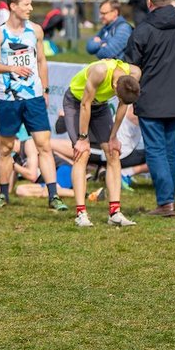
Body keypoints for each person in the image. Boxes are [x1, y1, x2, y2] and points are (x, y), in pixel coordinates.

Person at [124, 0, 175, 217]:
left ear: (149, 1)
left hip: (150, 98)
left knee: (156, 150)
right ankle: (169, 200)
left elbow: (131, 67)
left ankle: (166, 201)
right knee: (169, 151)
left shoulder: (143, 30)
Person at [0, 0, 67, 211]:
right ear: (13, 6)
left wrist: (45, 90)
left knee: (44, 145)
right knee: (6, 148)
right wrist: (12, 68)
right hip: (8, 98)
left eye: (31, 4)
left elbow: (41, 60)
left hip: (33, 97)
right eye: (26, 4)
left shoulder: (36, 31)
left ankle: (54, 196)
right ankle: (3, 195)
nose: (30, 8)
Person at [63, 59, 142, 227]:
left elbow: (123, 105)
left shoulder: (134, 73)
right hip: (77, 103)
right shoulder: (100, 71)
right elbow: (85, 105)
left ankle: (115, 213)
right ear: (114, 86)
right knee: (82, 153)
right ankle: (81, 214)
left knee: (113, 153)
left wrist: (113, 137)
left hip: (100, 106)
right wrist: (82, 138)